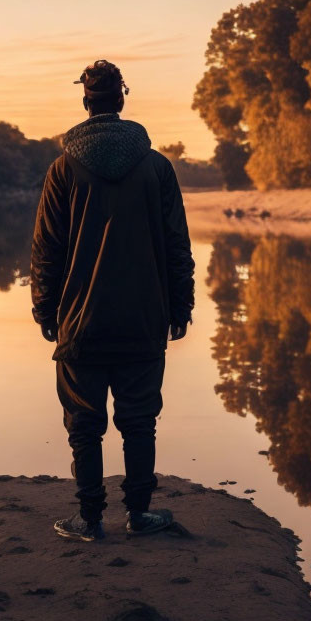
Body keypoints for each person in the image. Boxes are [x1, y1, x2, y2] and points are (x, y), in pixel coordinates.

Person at [31, 59, 194, 541]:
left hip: (81, 322)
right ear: (121, 100)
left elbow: (47, 249)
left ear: (86, 101)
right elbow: (177, 244)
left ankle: (90, 519)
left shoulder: (63, 168)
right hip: (144, 319)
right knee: (139, 419)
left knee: (84, 423)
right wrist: (181, 306)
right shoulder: (157, 167)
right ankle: (140, 515)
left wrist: (45, 309)